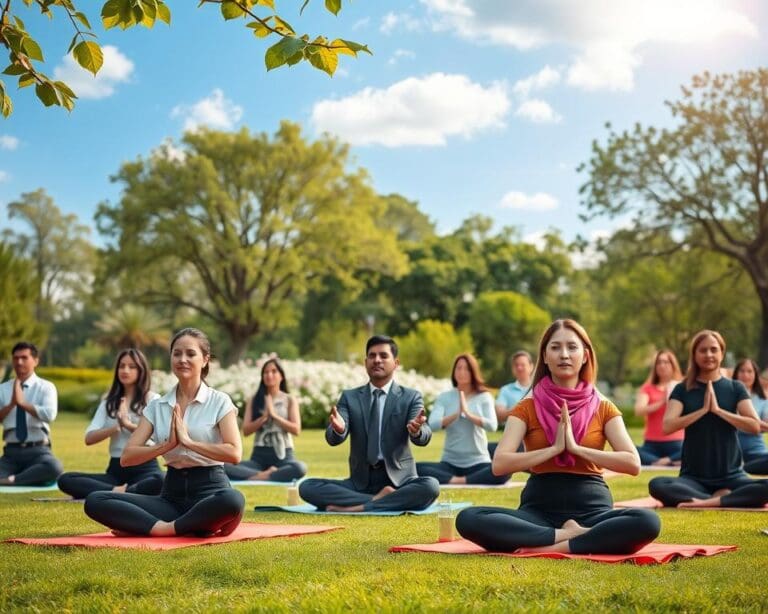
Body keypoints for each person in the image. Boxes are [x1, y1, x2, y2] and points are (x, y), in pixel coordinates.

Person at [456, 319, 660, 554]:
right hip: (537, 512)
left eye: (572, 347)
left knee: (647, 522)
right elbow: (500, 464)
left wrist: (576, 448)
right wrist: (552, 450)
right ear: (544, 356)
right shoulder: (527, 406)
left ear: (585, 355)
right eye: (555, 347)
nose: (564, 354)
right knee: (469, 518)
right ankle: (571, 537)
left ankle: (556, 544)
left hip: (593, 510)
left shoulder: (604, 406)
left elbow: (633, 463)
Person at [84, 328, 245, 536]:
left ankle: (160, 527)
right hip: (171, 498)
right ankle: (176, 527)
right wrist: (165, 446)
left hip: (210, 492)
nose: (182, 359)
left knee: (233, 500)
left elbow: (234, 453)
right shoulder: (157, 406)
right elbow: (127, 457)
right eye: (177, 353)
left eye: (190, 353)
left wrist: (188, 442)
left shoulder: (219, 401)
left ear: (205, 360)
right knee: (96, 500)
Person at [299, 335, 439, 512]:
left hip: (400, 481)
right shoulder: (349, 397)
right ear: (365, 362)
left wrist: (417, 431)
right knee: (307, 487)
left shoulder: (410, 397)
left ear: (396, 363)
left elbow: (423, 435)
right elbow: (333, 437)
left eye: (383, 356)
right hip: (360, 482)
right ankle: (377, 500)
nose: (377, 360)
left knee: (430, 486)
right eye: (372, 356)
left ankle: (358, 506)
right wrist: (339, 429)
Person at [648, 331, 768, 508]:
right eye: (703, 350)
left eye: (714, 350)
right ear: (695, 355)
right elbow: (667, 426)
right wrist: (702, 411)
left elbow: (754, 426)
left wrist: (719, 411)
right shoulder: (683, 389)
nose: (709, 355)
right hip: (693, 479)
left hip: (732, 476)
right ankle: (719, 498)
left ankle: (708, 501)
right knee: (657, 485)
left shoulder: (736, 388)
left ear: (722, 353)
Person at [57, 349, 164, 499]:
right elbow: (89, 438)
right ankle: (120, 491)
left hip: (145, 469)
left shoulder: (152, 399)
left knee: (162, 480)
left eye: (132, 367)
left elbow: (159, 437)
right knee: (66, 479)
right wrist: (116, 427)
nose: (125, 370)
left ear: (141, 370)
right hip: (115, 472)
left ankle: (116, 492)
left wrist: (128, 425)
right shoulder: (108, 402)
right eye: (122, 366)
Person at [416, 353, 510, 485]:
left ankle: (460, 480)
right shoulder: (445, 397)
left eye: (466, 369)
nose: (461, 372)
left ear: (473, 372)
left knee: (505, 470)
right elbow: (433, 425)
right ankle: (457, 480)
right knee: (414, 468)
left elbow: (492, 426)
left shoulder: (484, 397)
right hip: (449, 463)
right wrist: (456, 414)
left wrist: (468, 414)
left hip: (478, 462)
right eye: (458, 368)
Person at [225, 358, 307, 482]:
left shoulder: (290, 399)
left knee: (300, 468)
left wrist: (274, 416)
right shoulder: (254, 400)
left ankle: (258, 476)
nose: (269, 375)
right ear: (262, 376)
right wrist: (263, 418)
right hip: (259, 458)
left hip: (284, 457)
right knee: (222, 466)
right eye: (266, 372)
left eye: (274, 371)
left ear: (281, 376)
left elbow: (296, 430)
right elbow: (246, 431)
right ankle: (264, 475)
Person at [0, 342, 63, 485]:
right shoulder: (3, 389)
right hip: (11, 453)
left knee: (55, 467)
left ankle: (11, 480)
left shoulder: (46, 387)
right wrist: (11, 405)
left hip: (39, 450)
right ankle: (22, 478)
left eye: (24, 357)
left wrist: (23, 404)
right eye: (15, 358)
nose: (19, 362)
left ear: (35, 361)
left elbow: (50, 415)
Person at [634, 350, 684, 466]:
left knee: (695, 448)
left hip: (677, 444)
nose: (662, 365)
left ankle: (661, 462)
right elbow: (639, 410)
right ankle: (668, 462)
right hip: (652, 445)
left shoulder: (682, 386)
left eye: (666, 362)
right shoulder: (647, 388)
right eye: (659, 362)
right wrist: (662, 401)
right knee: (630, 449)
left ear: (673, 365)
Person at [488, 351, 533, 458]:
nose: (519, 368)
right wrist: (521, 408)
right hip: (513, 440)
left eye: (523, 365)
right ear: (513, 369)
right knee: (485, 450)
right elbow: (499, 415)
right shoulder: (506, 390)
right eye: (516, 365)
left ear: (531, 367)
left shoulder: (540, 388)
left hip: (535, 440)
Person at [732, 358, 768, 475]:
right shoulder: (727, 395)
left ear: (755, 375)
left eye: (749, 371)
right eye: (742, 371)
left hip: (756, 452)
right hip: (732, 451)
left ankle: (742, 469)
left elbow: (764, 425)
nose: (745, 375)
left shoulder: (762, 399)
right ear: (736, 374)